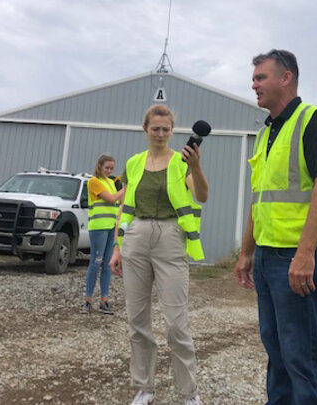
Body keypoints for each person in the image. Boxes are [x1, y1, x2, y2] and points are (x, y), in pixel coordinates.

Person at [233, 50, 317, 404]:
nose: (254, 85)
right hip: (267, 257)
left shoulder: (314, 121)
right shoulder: (267, 133)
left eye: (261, 77)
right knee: (277, 353)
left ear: (286, 78)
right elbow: (259, 198)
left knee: (302, 357)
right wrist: (247, 252)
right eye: (254, 79)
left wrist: (305, 254)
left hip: (297, 259)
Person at [110, 104, 208, 405]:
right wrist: (117, 246)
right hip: (136, 237)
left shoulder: (181, 163)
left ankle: (189, 393)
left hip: (170, 239)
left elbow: (202, 196)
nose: (162, 134)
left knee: (176, 321)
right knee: (137, 319)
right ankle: (145, 388)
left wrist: (196, 167)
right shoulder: (135, 163)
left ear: (172, 131)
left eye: (166, 129)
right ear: (145, 129)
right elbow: (124, 207)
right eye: (156, 129)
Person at [80, 154, 124, 315]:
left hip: (111, 226)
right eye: (107, 168)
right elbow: (112, 199)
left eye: (112, 168)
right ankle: (87, 300)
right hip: (98, 226)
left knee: (107, 264)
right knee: (96, 261)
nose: (110, 171)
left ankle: (104, 300)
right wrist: (125, 188)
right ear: (99, 166)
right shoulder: (94, 182)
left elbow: (119, 201)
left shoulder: (111, 182)